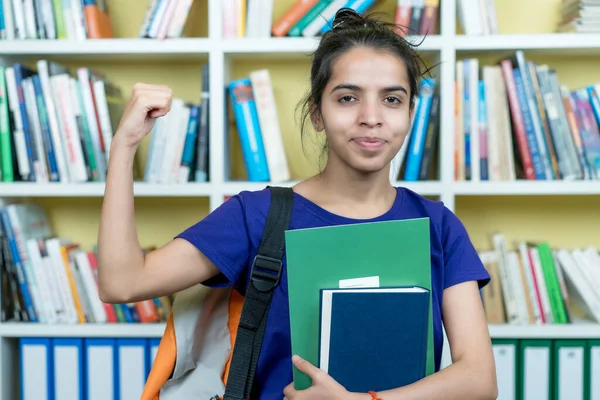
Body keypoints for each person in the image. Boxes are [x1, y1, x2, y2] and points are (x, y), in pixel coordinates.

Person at [97, 8, 498, 400]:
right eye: (347, 98)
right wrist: (124, 145)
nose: (371, 117)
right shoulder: (257, 216)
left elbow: (478, 378)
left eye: (392, 100)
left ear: (412, 113)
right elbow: (122, 283)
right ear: (317, 113)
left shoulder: (439, 226)